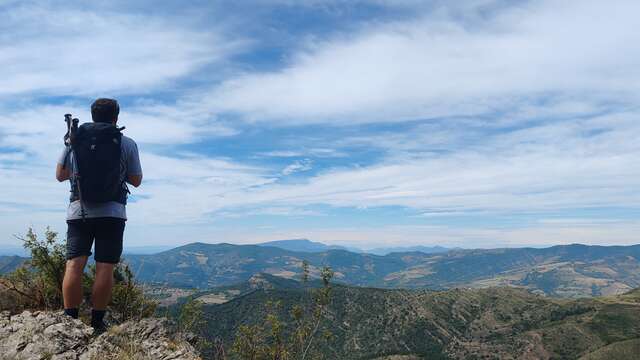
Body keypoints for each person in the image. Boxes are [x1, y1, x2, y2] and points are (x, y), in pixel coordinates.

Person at [55, 98, 142, 332]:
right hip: (112, 213)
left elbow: (60, 175)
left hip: (78, 210)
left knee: (74, 265)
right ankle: (96, 322)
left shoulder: (74, 141)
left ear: (92, 116)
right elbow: (136, 180)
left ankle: (69, 321)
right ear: (116, 117)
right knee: (105, 268)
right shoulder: (126, 143)